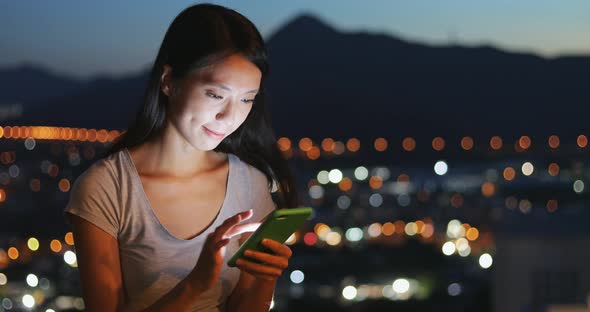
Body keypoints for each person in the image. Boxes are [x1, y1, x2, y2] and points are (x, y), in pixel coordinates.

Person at [63, 3, 299, 311]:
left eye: (246, 100)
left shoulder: (249, 184)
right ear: (169, 81)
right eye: (215, 95)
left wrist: (264, 277)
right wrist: (195, 284)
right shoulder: (108, 188)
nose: (229, 116)